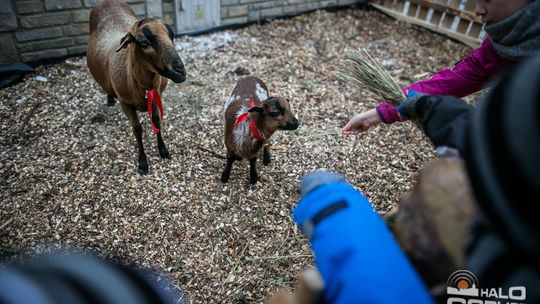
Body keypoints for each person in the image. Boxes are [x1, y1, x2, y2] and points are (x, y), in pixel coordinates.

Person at [293, 55, 540, 303]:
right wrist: (423, 108)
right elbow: (480, 137)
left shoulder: (494, 278)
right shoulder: (511, 236)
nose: (474, 13)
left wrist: (329, 198)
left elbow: (370, 273)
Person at [342, 0, 539, 135]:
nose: (477, 10)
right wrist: (380, 113)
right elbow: (457, 79)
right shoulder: (505, 41)